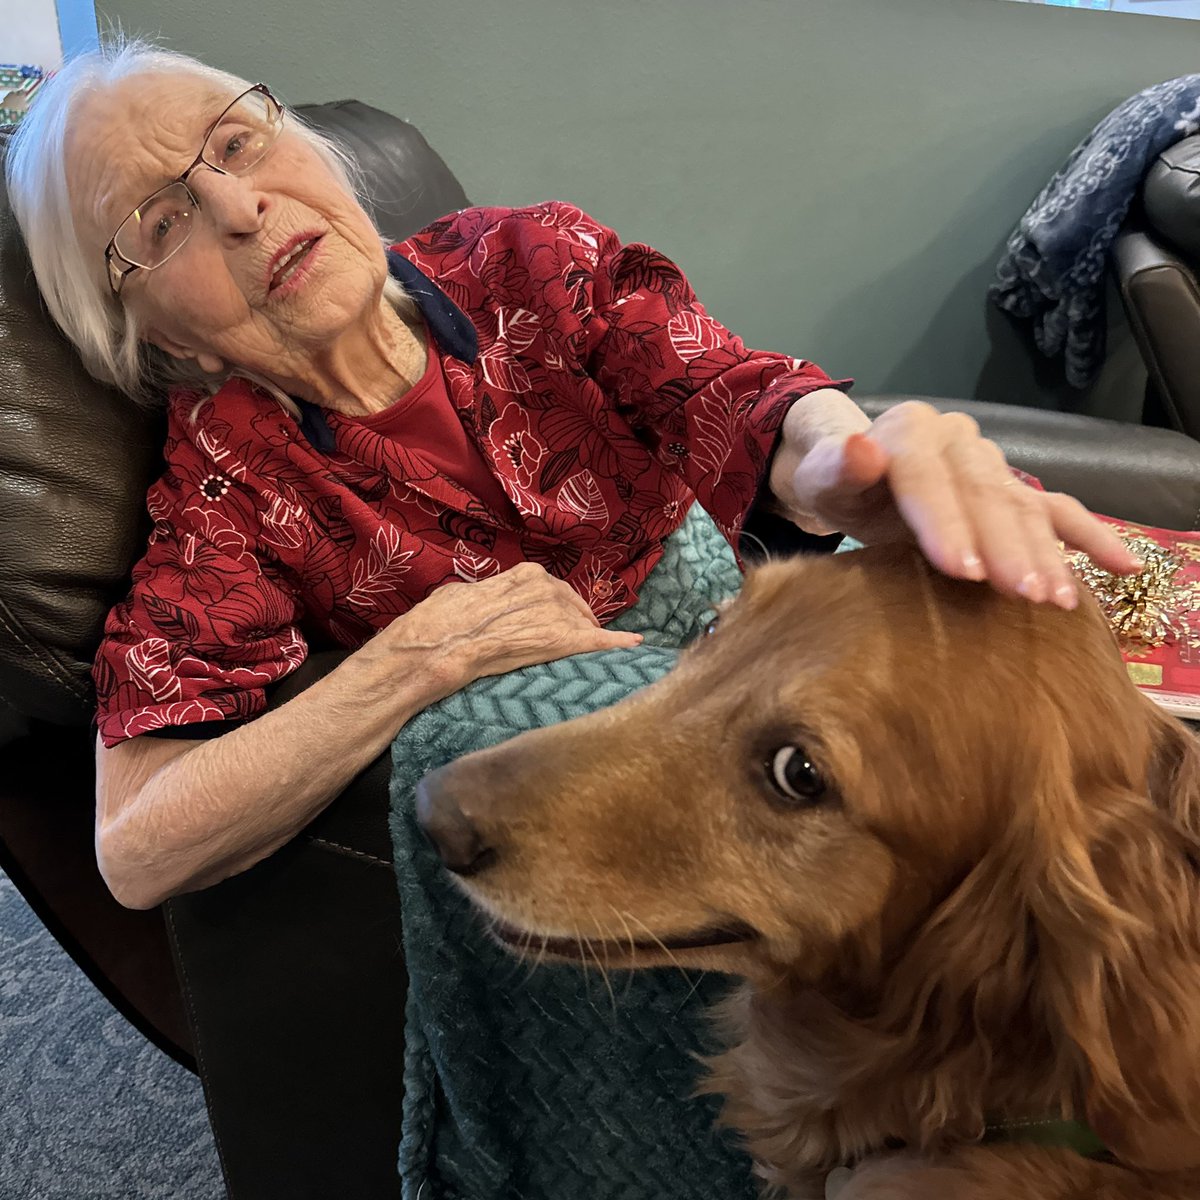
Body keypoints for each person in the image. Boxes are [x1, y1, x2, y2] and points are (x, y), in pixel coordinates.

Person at [5, 42, 1138, 912]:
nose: (242, 210)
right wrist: (411, 662)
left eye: (240, 144)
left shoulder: (529, 263)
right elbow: (136, 844)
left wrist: (846, 460)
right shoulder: (228, 492)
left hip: (765, 654)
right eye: (162, 222)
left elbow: (728, 389)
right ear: (168, 344)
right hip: (631, 808)